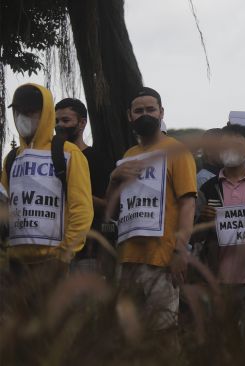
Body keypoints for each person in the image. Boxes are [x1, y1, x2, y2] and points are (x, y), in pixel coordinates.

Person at [106, 87, 197, 331]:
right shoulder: (129, 155)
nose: (145, 114)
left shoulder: (177, 151)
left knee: (163, 336)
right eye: (139, 110)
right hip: (127, 260)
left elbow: (188, 204)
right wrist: (113, 178)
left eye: (150, 109)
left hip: (162, 260)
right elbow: (112, 207)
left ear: (161, 112)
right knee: (130, 338)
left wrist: (180, 251)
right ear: (130, 116)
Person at [2, 84, 92, 280]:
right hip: (17, 266)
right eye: (18, 112)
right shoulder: (11, 159)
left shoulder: (68, 153)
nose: (22, 118)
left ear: (45, 114)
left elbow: (82, 209)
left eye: (30, 112)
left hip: (53, 264)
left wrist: (64, 255)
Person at [195, 123, 245, 325]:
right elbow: (194, 235)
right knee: (221, 344)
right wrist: (203, 221)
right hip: (217, 280)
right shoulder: (208, 188)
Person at [55, 98, 112, 274]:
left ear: (82, 123)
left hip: (88, 254)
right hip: (55, 251)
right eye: (56, 121)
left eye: (66, 120)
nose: (59, 126)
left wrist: (78, 193)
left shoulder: (97, 159)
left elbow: (107, 207)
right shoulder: (51, 157)